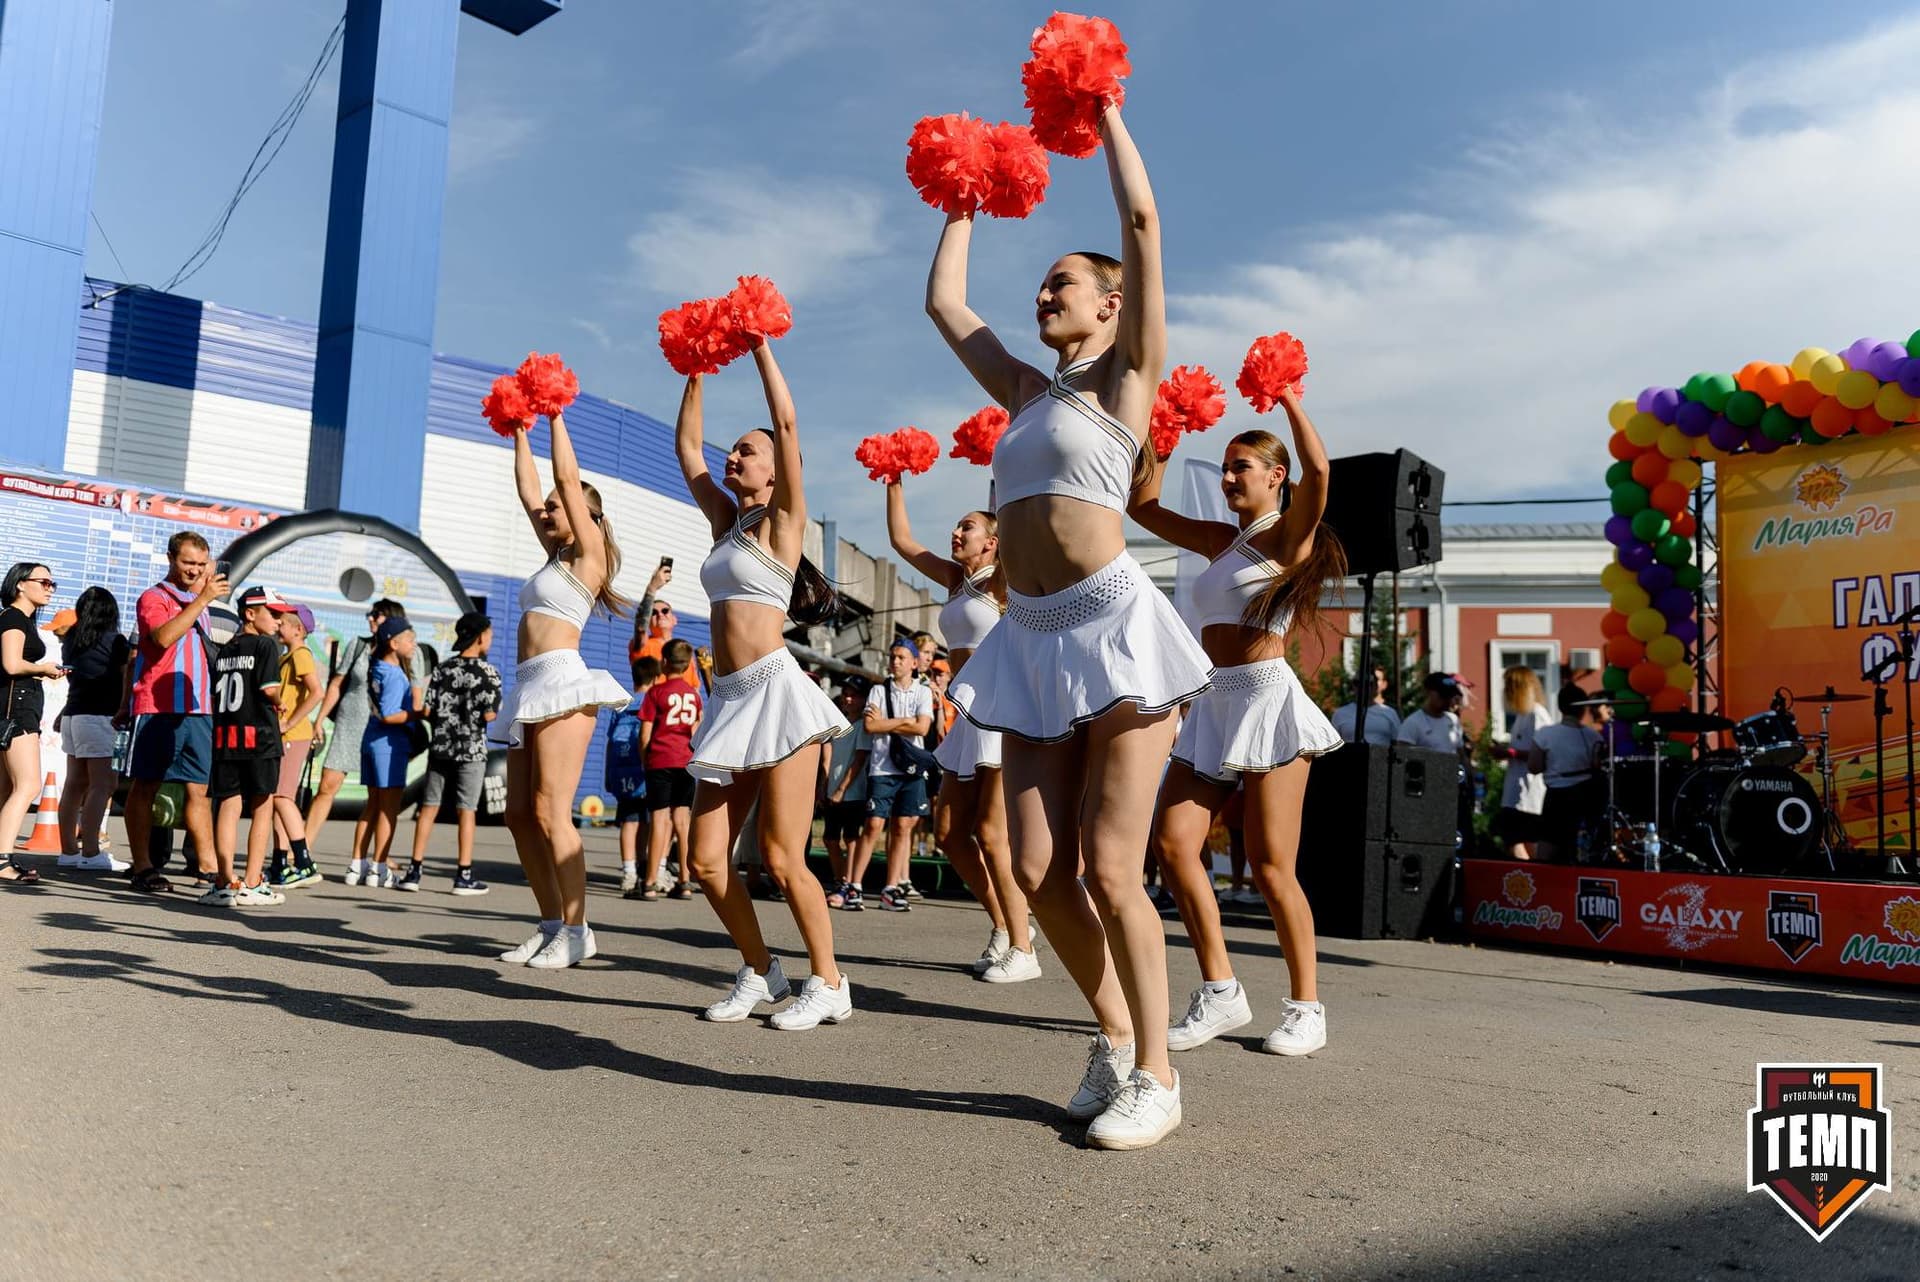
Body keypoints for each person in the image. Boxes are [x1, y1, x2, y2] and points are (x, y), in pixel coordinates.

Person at [930, 101, 1209, 1148]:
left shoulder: (1126, 375)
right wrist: (962, 195)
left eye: (1063, 282)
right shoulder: (1021, 391)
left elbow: (1141, 222)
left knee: (1108, 866)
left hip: (1117, 630)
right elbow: (945, 304)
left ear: (1112, 305)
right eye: (1040, 282)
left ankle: (1160, 1072)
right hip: (1033, 636)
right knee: (1038, 872)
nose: (1045, 291)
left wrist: (1108, 118)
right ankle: (1111, 1035)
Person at [1131, 408, 1347, 1060]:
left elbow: (1322, 471)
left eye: (1241, 467)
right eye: (1224, 466)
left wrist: (1287, 398)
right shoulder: (1218, 543)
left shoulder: (1288, 538)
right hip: (1215, 703)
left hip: (1267, 700)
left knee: (1271, 866)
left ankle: (1307, 1007)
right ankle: (1220, 988)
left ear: (1275, 476)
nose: (1228, 477)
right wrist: (1160, 441)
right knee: (1171, 843)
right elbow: (1142, 507)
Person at [674, 340, 852, 1030]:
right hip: (729, 700)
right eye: (735, 451)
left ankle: (830, 982)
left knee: (781, 855)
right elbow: (689, 451)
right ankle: (759, 969)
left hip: (778, 695)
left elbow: (787, 421)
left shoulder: (783, 522)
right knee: (706, 860)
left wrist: (758, 347)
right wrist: (695, 367)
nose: (734, 457)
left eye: (749, 451)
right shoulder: (728, 521)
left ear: (778, 469)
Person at [493, 402, 632, 970]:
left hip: (563, 685)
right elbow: (531, 489)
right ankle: (551, 924)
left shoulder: (587, 559)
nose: (548, 512)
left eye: (559, 508)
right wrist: (518, 426)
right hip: (528, 687)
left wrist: (552, 414)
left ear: (588, 517)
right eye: (548, 510)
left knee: (553, 811)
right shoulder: (551, 556)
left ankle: (577, 929)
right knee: (519, 814)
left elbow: (563, 479)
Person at [885, 481, 1037, 978]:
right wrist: (894, 477)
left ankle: (1024, 949)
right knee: (950, 833)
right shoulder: (956, 580)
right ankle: (1004, 926)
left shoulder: (1004, 579)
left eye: (966, 527)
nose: (955, 532)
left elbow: (1014, 529)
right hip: (966, 715)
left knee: (994, 835)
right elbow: (903, 541)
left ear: (992, 541)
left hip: (1001, 709)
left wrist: (1005, 476)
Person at [120, 532, 227, 895]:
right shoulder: (155, 597)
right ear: (170, 558)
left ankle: (208, 867)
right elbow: (163, 638)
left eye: (201, 564)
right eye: (187, 563)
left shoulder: (203, 601)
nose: (195, 571)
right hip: (158, 705)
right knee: (146, 785)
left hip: (199, 709)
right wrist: (201, 601)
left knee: (199, 790)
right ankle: (143, 865)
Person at [306, 598, 422, 871]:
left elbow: (413, 692)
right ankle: (302, 849)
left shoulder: (405, 653)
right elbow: (336, 684)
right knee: (327, 786)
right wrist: (320, 719)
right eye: (371, 614)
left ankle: (377, 856)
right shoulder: (358, 645)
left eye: (377, 615)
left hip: (383, 731)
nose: (371, 619)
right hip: (350, 723)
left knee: (379, 798)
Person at [201, 585, 293, 906]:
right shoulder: (266, 646)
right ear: (250, 614)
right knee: (262, 804)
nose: (280, 621)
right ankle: (253, 881)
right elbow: (269, 688)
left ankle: (225, 880)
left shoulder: (226, 649)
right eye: (274, 614)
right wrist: (281, 703)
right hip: (259, 736)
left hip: (227, 736)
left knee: (228, 804)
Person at [408, 610, 500, 895]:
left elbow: (426, 708)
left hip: (441, 748)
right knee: (467, 811)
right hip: (471, 751)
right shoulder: (488, 673)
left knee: (428, 807)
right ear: (482, 636)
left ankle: (414, 871)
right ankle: (463, 875)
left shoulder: (443, 669)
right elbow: (490, 716)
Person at [852, 638, 934, 913]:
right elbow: (870, 726)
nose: (895, 661)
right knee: (873, 825)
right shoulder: (878, 690)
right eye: (893, 657)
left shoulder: (922, 692)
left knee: (903, 827)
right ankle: (855, 885)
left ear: (913, 662)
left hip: (910, 769)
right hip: (882, 768)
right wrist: (904, 722)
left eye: (901, 657)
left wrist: (887, 723)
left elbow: (923, 729)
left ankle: (890, 887)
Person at [55, 586, 130, 872]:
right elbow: (125, 679)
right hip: (101, 717)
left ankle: (69, 851)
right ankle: (90, 852)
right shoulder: (115, 641)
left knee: (74, 785)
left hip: (74, 716)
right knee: (103, 785)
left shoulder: (72, 639)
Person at [0, 563, 64, 885]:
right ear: (21, 585)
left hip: (15, 707)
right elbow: (10, 664)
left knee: (8, 788)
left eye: (53, 583)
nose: (50, 588)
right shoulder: (13, 618)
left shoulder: (20, 620)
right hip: (16, 710)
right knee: (28, 785)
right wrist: (43, 668)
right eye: (44, 582)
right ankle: (1, 861)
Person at [351, 616, 421, 890]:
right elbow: (391, 715)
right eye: (410, 640)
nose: (414, 645)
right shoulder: (393, 674)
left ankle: (357, 864)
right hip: (390, 745)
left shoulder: (376, 667)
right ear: (394, 643)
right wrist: (420, 712)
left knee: (372, 805)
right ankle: (378, 868)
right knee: (388, 810)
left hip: (371, 740)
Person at [638, 638, 703, 901]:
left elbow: (645, 734)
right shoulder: (694, 695)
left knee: (660, 821)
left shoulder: (656, 693)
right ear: (687, 665)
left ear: (664, 662)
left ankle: (651, 881)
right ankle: (684, 880)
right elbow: (696, 730)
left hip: (661, 759)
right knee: (682, 821)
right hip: (685, 760)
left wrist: (645, 759)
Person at [267, 603, 324, 888]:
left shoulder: (301, 654)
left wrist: (290, 722)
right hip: (286, 737)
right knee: (279, 798)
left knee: (282, 798)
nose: (278, 626)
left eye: (284, 623)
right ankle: (280, 862)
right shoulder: (288, 656)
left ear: (298, 629)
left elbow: (316, 693)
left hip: (293, 736)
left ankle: (303, 861)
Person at [1529, 683, 1604, 862]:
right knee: (1580, 850)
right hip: (1586, 796)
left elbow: (1533, 766)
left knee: (1548, 849)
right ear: (1583, 708)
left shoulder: (1545, 734)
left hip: (1557, 797)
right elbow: (1597, 766)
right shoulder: (1594, 736)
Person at [609, 655, 659, 896]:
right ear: (656, 677)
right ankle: (643, 864)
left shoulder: (622, 704)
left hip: (623, 772)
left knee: (629, 821)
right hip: (646, 770)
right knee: (647, 821)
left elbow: (611, 741)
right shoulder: (653, 702)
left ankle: (628, 871)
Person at [821, 685, 872, 910]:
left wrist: (842, 787)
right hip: (832, 790)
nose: (848, 699)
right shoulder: (838, 724)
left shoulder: (863, 726)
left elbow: (859, 759)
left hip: (853, 792)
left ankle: (849, 884)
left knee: (851, 838)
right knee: (830, 839)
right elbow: (827, 759)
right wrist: (824, 786)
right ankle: (840, 880)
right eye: (845, 694)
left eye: (854, 695)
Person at [1497, 666, 1547, 861]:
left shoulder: (1537, 714)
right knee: (1516, 840)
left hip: (1529, 791)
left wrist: (1510, 752)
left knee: (1519, 841)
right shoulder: (1523, 714)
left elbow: (1541, 752)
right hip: (1517, 790)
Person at [1329, 665, 1401, 747]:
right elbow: (1332, 746)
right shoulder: (1340, 714)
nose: (1362, 687)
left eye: (1367, 683)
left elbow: (1399, 745)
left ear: (1375, 686)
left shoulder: (1389, 713)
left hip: (1380, 759)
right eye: (1357, 682)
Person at [1397, 673, 1465, 754]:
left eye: (1450, 695)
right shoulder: (1412, 723)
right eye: (1443, 695)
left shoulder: (1453, 720)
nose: (1447, 700)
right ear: (1428, 692)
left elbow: (1461, 757)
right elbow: (1402, 757)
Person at [627, 563, 676, 666]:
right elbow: (640, 629)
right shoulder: (645, 645)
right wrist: (652, 588)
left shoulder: (683, 650)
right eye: (653, 613)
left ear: (674, 619)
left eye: (665, 611)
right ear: (648, 622)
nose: (660, 614)